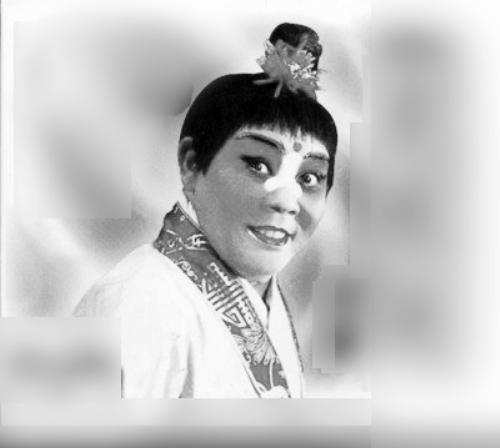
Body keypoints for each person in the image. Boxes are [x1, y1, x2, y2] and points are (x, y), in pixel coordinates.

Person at [74, 23, 338, 398]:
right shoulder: (136, 302)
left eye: (309, 178)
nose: (286, 200)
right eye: (258, 165)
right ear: (191, 163)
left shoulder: (267, 301)